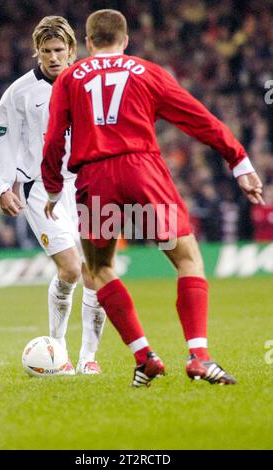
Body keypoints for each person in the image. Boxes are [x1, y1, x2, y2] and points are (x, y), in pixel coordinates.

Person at [41, 9, 264, 387]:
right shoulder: (146, 72)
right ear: (125, 40)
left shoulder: (69, 79)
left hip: (96, 178)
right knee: (188, 258)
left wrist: (52, 187)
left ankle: (145, 357)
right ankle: (198, 357)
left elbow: (53, 139)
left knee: (97, 269)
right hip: (143, 171)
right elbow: (198, 117)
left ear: (89, 41)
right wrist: (238, 160)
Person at [0, 16, 106, 375]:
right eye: (46, 51)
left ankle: (88, 358)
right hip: (43, 188)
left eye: (59, 50)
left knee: (95, 274)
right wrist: (1, 186)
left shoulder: (89, 84)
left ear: (72, 50)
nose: (54, 57)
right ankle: (59, 351)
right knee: (70, 268)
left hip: (87, 185)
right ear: (37, 52)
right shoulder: (20, 91)